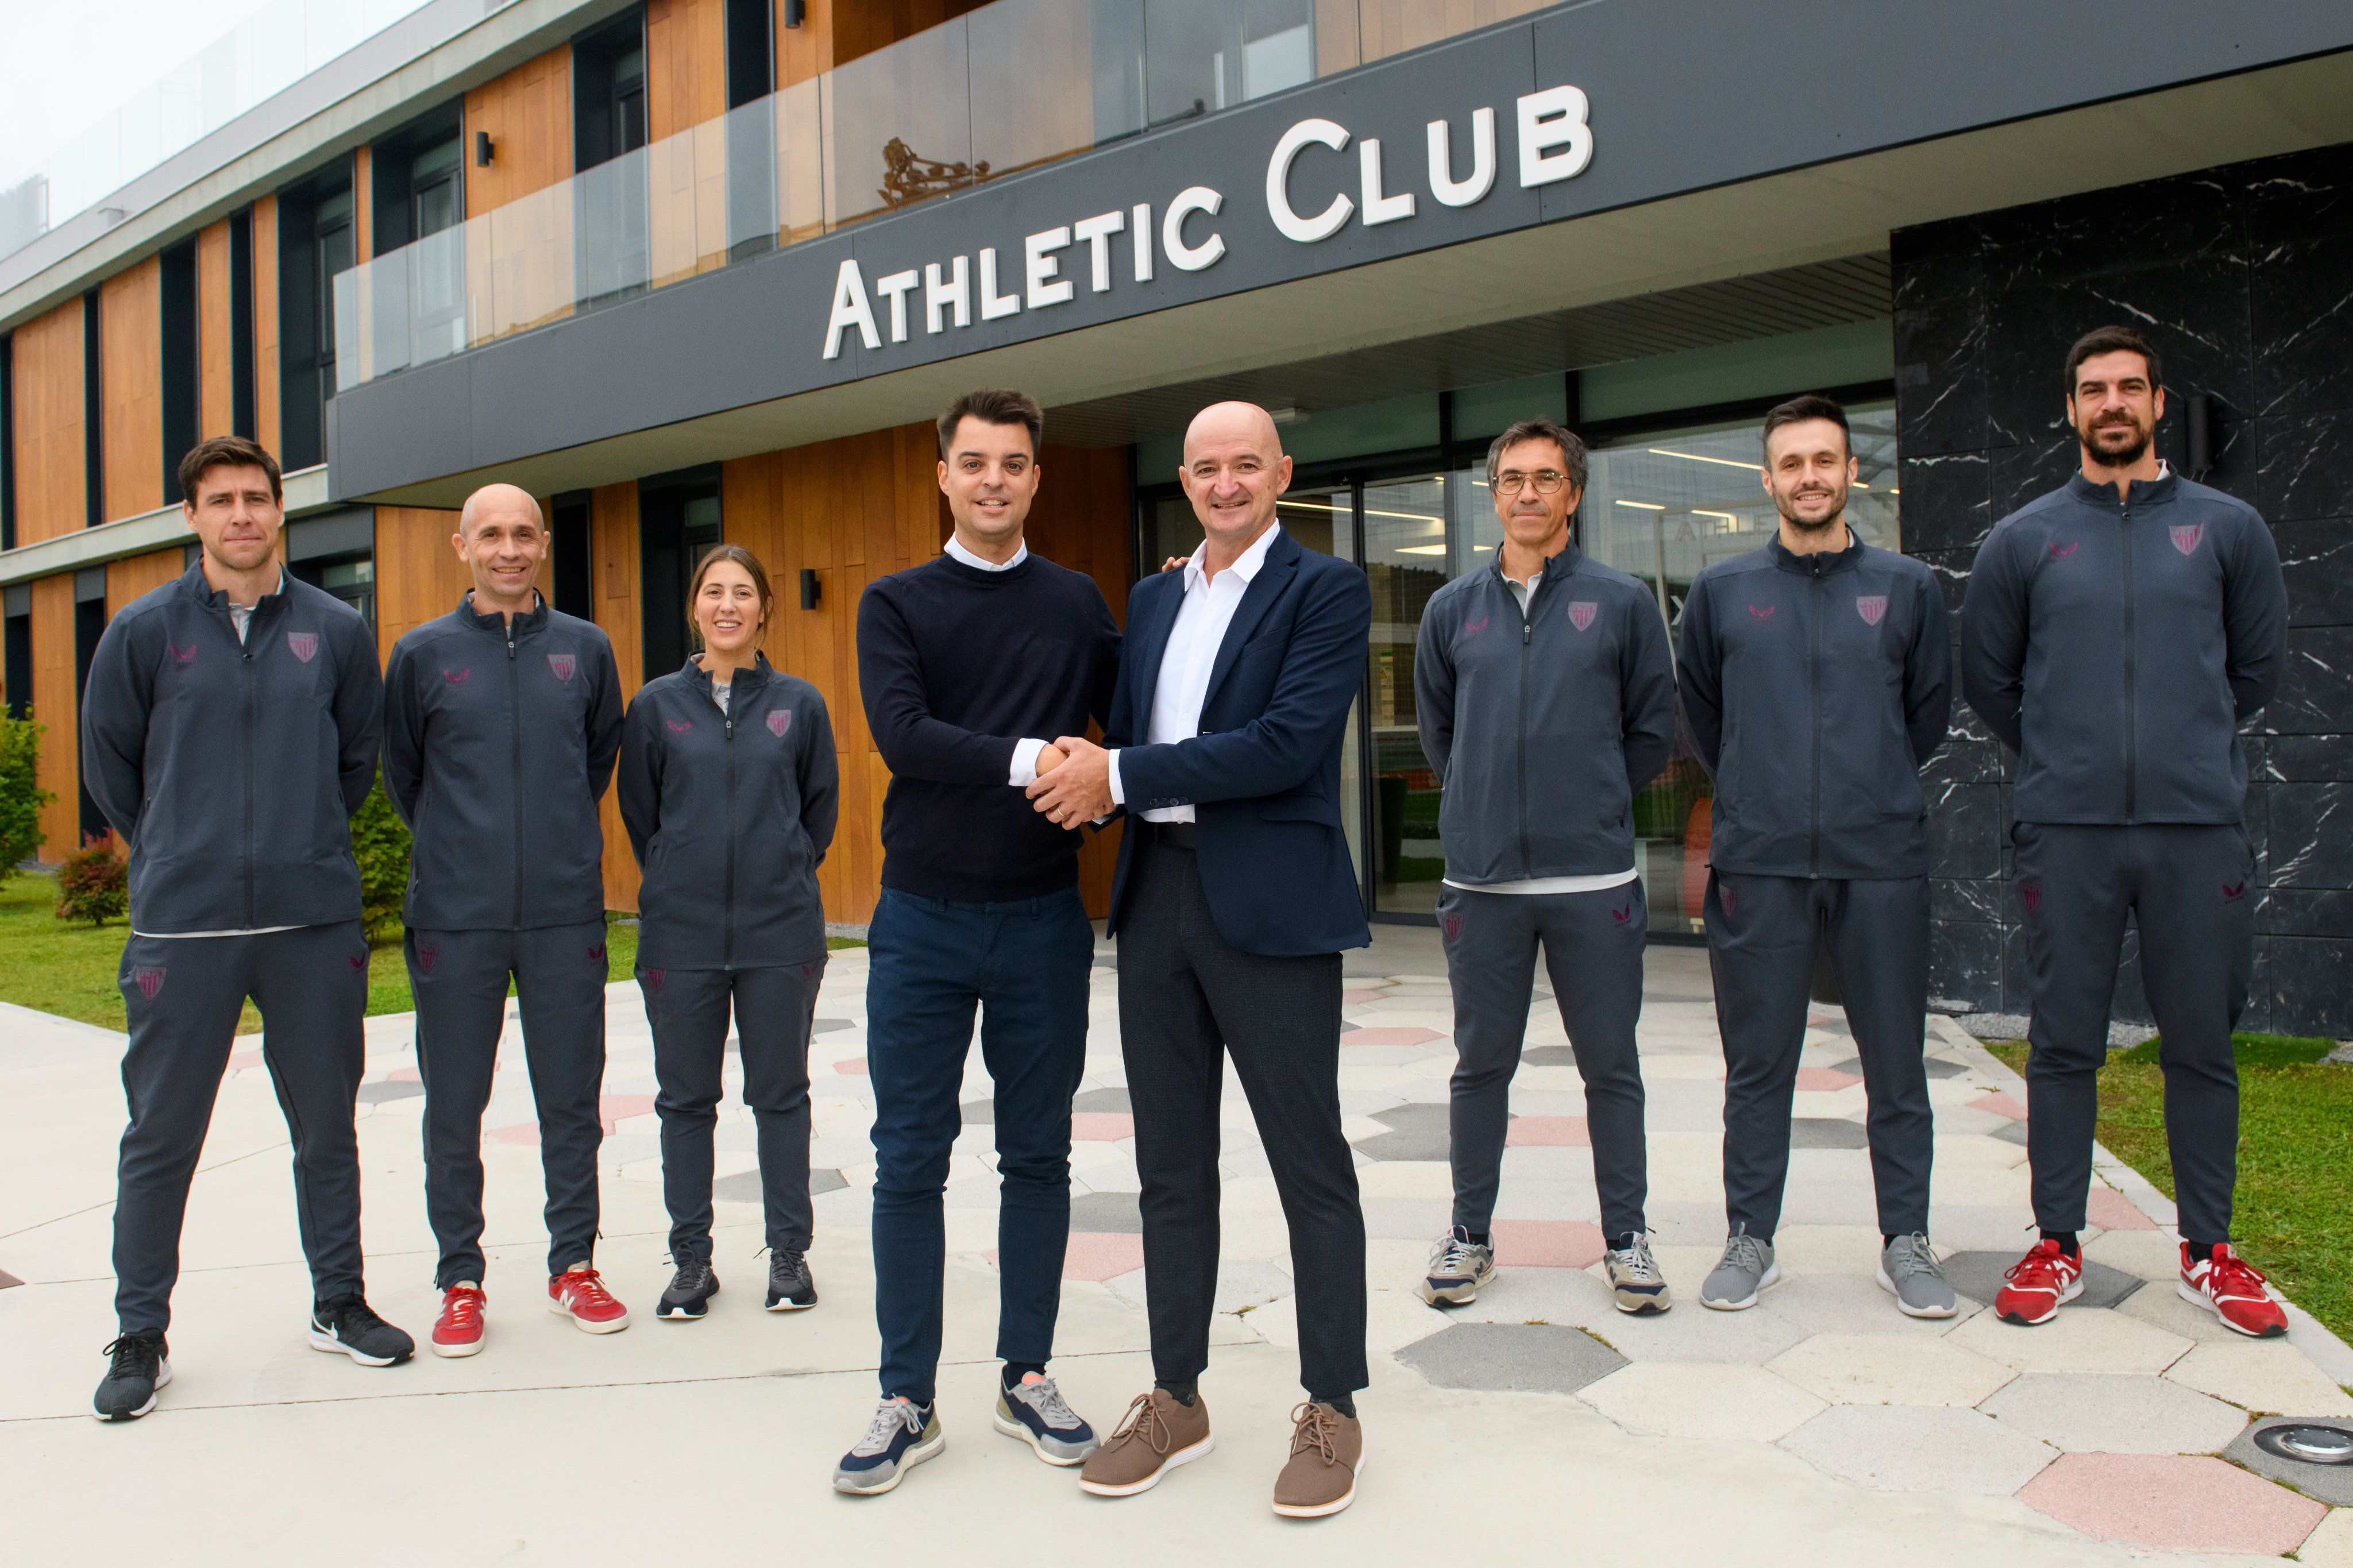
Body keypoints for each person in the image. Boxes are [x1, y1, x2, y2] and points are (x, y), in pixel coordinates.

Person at [1029, 400, 1374, 1519]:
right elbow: (1125, 726)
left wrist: (1117, 774)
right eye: (1205, 469)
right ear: (1183, 481)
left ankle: (1331, 1407)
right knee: (1169, 1169)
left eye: (1244, 465)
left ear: (1280, 471)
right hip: (1158, 900)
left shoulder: (1324, 589)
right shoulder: (1154, 597)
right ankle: (1176, 1396)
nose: (1225, 484)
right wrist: (1088, 773)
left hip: (1269, 904)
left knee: (1306, 1164)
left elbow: (1282, 746)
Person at [1964, 326, 2289, 1336]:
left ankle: (2210, 1249)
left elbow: (2256, 671)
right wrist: (2073, 758)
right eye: (2093, 389)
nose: (2112, 403)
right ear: (2070, 410)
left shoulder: (2228, 528)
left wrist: (2180, 748)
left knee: (2201, 1044)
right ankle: (2058, 1240)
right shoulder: (2021, 540)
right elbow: (1993, 683)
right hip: (2069, 832)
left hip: (2197, 829)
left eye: (2129, 388)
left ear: (2157, 402)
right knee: (2062, 1043)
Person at [82, 435, 410, 1420]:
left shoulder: (335, 631)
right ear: (192, 517)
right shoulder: (142, 632)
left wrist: (295, 843)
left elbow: (357, 759)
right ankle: (141, 1329)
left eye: (256, 498)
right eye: (220, 500)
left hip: (310, 922)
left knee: (326, 1127)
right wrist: (184, 849)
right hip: (183, 930)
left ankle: (338, 1300)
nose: (241, 516)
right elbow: (113, 770)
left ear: (281, 511)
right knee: (161, 1137)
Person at [836, 388, 1120, 1496]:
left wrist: (1103, 790)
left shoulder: (1078, 602)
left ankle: (1027, 1373)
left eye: (1013, 462)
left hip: (1045, 916)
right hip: (921, 921)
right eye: (974, 462)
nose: (994, 479)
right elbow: (903, 735)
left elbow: (1129, 723)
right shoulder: (895, 602)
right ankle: (906, 1394)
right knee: (910, 1156)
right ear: (943, 476)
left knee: (1037, 1153)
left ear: (1036, 477)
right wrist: (1034, 761)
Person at [1676, 395, 1955, 1316]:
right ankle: (1751, 1234)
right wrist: (1763, 789)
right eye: (1791, 463)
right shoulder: (1721, 593)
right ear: (1767, 479)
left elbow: (1924, 717)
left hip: (1880, 859)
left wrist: (1864, 787)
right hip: (1759, 863)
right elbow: (1708, 719)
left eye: (1825, 460)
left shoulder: (1909, 588)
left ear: (1850, 472)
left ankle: (1906, 1239)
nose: (1809, 477)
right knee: (1759, 1064)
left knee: (1896, 1062)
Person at [1411, 418, 1677, 1314]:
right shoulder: (1452, 610)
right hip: (1482, 885)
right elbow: (1439, 733)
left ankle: (1627, 1239)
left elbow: (1652, 728)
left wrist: (1591, 799)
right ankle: (1470, 1234)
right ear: (1494, 495)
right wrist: (1478, 804)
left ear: (1574, 493)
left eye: (1546, 478)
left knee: (1611, 1066)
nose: (1528, 492)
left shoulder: (1623, 601)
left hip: (1592, 882)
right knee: (1480, 1065)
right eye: (1512, 479)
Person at [381, 484, 628, 1356]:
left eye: (525, 533)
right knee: (455, 1105)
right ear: (462, 546)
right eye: (492, 534)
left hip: (564, 914)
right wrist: (465, 850)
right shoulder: (421, 655)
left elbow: (594, 760)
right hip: (456, 917)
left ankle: (574, 1265)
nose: (510, 548)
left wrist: (550, 844)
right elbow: (405, 775)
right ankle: (460, 1277)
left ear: (546, 543)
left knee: (571, 1100)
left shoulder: (587, 650)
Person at [617, 545, 837, 1320]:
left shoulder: (800, 704)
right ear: (694, 607)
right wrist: (683, 873)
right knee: (685, 1101)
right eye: (714, 591)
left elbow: (820, 815)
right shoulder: (654, 707)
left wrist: (778, 868)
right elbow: (643, 816)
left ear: (764, 609)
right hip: (681, 936)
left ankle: (788, 1256)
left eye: (744, 591)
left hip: (781, 932)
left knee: (781, 1095)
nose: (728, 605)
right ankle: (691, 1262)